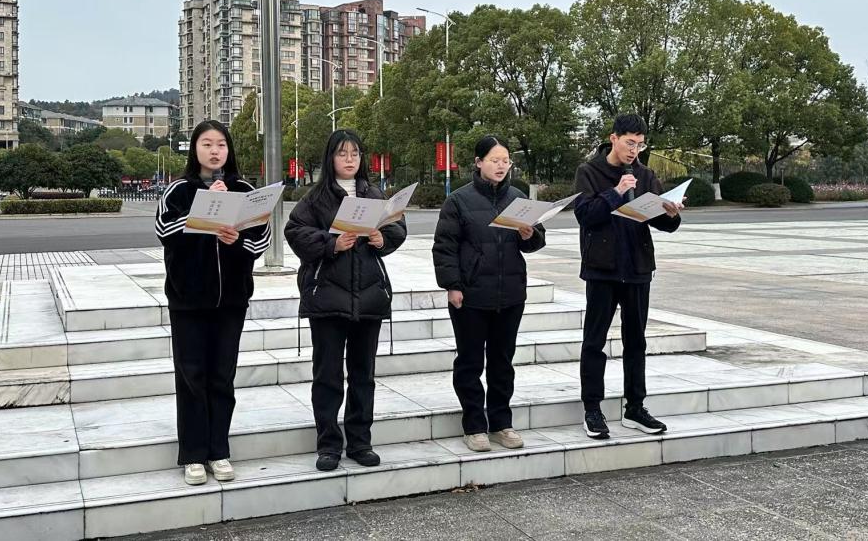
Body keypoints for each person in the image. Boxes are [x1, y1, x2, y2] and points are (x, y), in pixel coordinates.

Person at [155, 120, 272, 486]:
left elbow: (260, 240)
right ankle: (193, 454)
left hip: (231, 301)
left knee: (222, 376)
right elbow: (164, 230)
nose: (215, 151)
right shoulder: (179, 190)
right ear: (195, 149)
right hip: (188, 301)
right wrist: (206, 209)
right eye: (207, 144)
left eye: (221, 144)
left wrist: (236, 239)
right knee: (191, 376)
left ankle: (218, 450)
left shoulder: (244, 190)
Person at [284, 129, 408, 472]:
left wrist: (382, 239)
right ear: (331, 158)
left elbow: (398, 228)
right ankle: (328, 445)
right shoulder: (316, 198)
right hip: (327, 298)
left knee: (363, 374)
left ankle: (360, 441)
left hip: (369, 297)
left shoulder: (373, 194)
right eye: (342, 153)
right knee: (327, 375)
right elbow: (295, 232)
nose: (349, 159)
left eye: (355, 153)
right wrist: (331, 243)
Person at [432, 135, 546, 452]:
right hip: (470, 295)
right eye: (494, 160)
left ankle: (500, 423)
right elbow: (444, 247)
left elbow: (535, 242)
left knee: (502, 362)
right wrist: (453, 285)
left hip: (510, 293)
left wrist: (529, 234)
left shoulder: (518, 199)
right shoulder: (458, 201)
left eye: (505, 160)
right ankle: (474, 426)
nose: (501, 166)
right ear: (478, 162)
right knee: (470, 362)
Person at [572, 114, 683, 440]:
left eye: (640, 144)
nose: (634, 150)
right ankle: (593, 409)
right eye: (629, 142)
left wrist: (671, 214)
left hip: (637, 268)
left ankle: (635, 407)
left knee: (636, 341)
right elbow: (585, 216)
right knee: (594, 341)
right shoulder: (589, 172)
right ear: (614, 139)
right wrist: (616, 191)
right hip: (602, 269)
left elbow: (660, 222)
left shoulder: (645, 175)